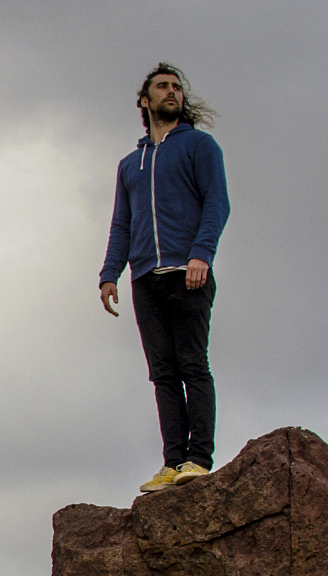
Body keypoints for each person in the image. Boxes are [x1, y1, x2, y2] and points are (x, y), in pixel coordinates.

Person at [99, 64, 230, 493]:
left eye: (176, 87)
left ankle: (199, 459)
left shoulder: (199, 146)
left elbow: (217, 203)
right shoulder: (129, 164)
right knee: (162, 372)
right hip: (145, 279)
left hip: (188, 272)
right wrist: (109, 273)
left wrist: (201, 255)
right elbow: (122, 223)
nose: (171, 92)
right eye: (162, 87)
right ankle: (173, 463)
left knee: (193, 365)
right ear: (145, 100)